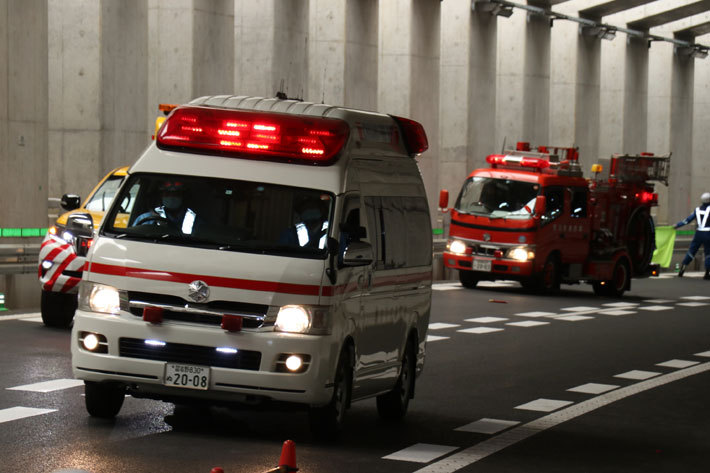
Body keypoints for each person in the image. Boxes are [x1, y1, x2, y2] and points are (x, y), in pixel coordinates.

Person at [674, 192, 710, 279]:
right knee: (708, 253)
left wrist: (677, 225)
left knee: (692, 250)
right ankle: (707, 273)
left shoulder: (697, 210)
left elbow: (687, 220)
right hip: (708, 233)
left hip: (698, 233)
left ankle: (682, 269)